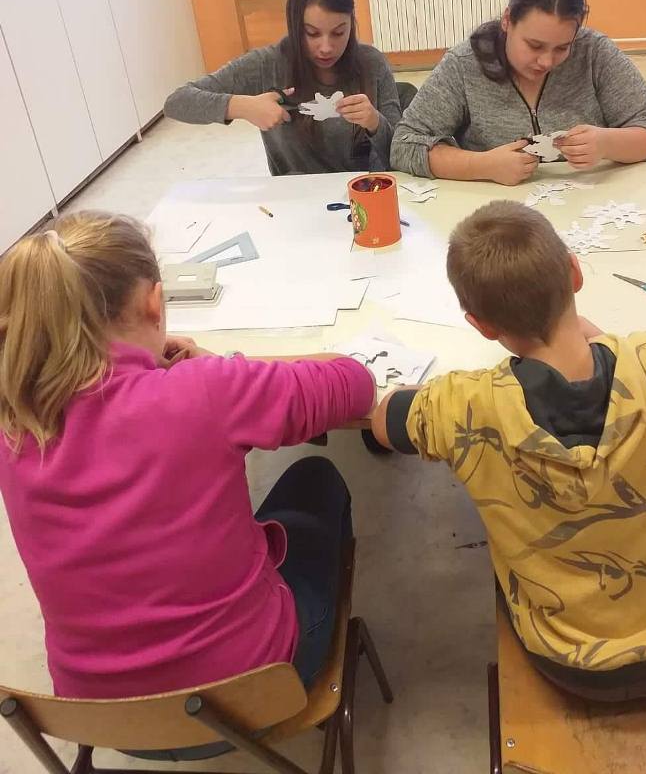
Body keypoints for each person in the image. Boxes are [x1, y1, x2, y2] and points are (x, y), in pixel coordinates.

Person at [0, 213, 375, 716]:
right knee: (315, 477)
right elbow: (354, 383)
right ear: (154, 303)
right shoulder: (202, 391)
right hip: (251, 685)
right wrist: (223, 366)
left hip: (96, 709)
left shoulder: (13, 419)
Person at [372, 201, 646, 701]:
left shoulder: (463, 404)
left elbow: (384, 424)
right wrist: (610, 345)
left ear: (481, 325)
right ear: (575, 273)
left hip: (566, 660)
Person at [390, 0, 646, 183]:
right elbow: (405, 145)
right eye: (534, 45)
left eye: (562, 47)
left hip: (592, 206)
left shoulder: (594, 52)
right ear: (507, 21)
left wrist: (607, 143)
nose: (546, 61)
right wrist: (482, 165)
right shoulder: (465, 64)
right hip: (500, 214)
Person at [165, 0, 401, 174]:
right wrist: (243, 107)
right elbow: (177, 102)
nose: (326, 47)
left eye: (339, 32)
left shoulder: (372, 63)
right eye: (312, 33)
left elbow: (400, 152)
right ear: (294, 25)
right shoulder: (268, 64)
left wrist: (375, 123)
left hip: (364, 193)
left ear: (351, 22)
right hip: (292, 197)